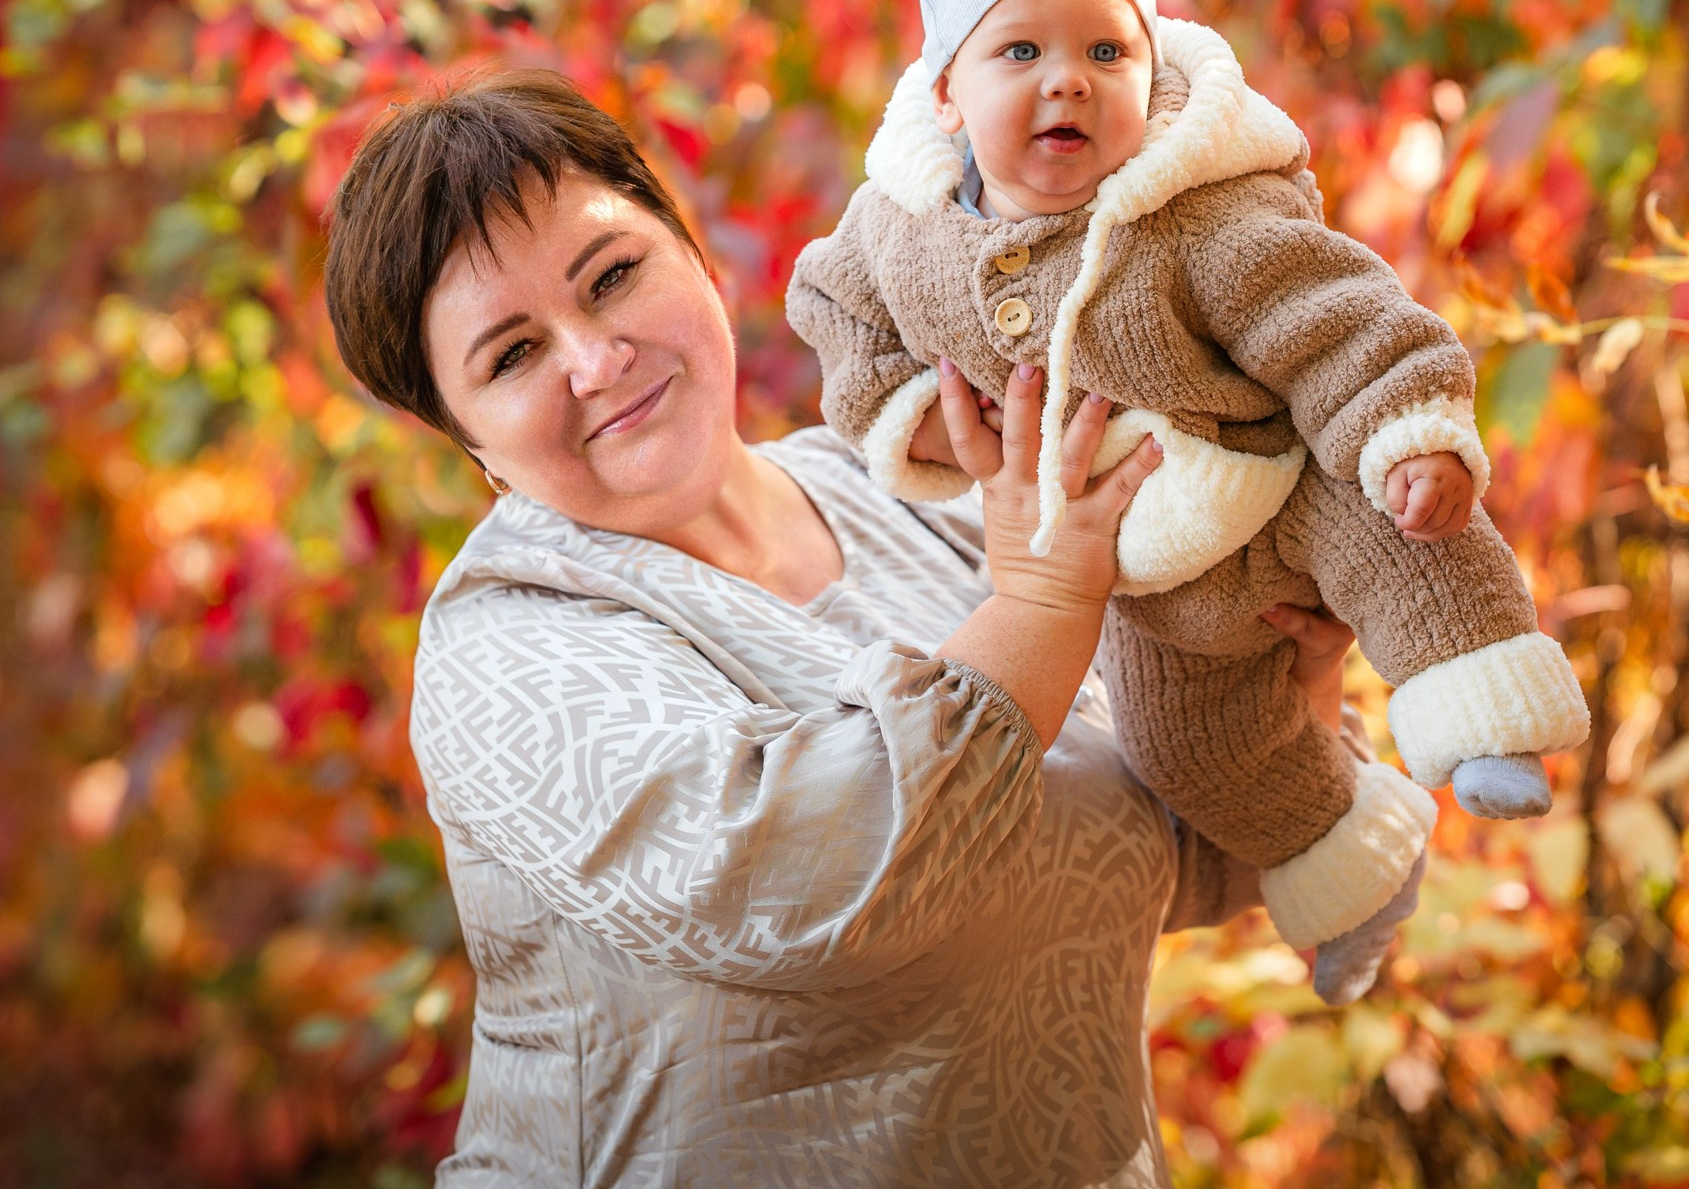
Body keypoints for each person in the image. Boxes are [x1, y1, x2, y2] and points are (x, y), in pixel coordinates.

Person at [324, 69, 1371, 1187]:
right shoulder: (508, 649)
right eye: (513, 355)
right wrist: (1045, 608)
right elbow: (797, 882)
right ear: (468, 443)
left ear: (689, 250)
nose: (595, 359)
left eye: (614, 275)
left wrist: (1278, 686)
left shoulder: (908, 496)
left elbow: (1166, 850)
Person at [785, 0, 1589, 1004]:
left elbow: (1334, 312)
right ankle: (1353, 869)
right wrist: (905, 412)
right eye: (1022, 50)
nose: (1068, 80)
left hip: (1278, 481)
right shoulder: (901, 228)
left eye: (1106, 50)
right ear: (948, 92)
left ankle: (1482, 713)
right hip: (1146, 582)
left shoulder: (1192, 216)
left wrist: (1407, 426)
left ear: (1148, 70)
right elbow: (831, 304)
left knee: (1404, 533)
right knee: (1186, 755)